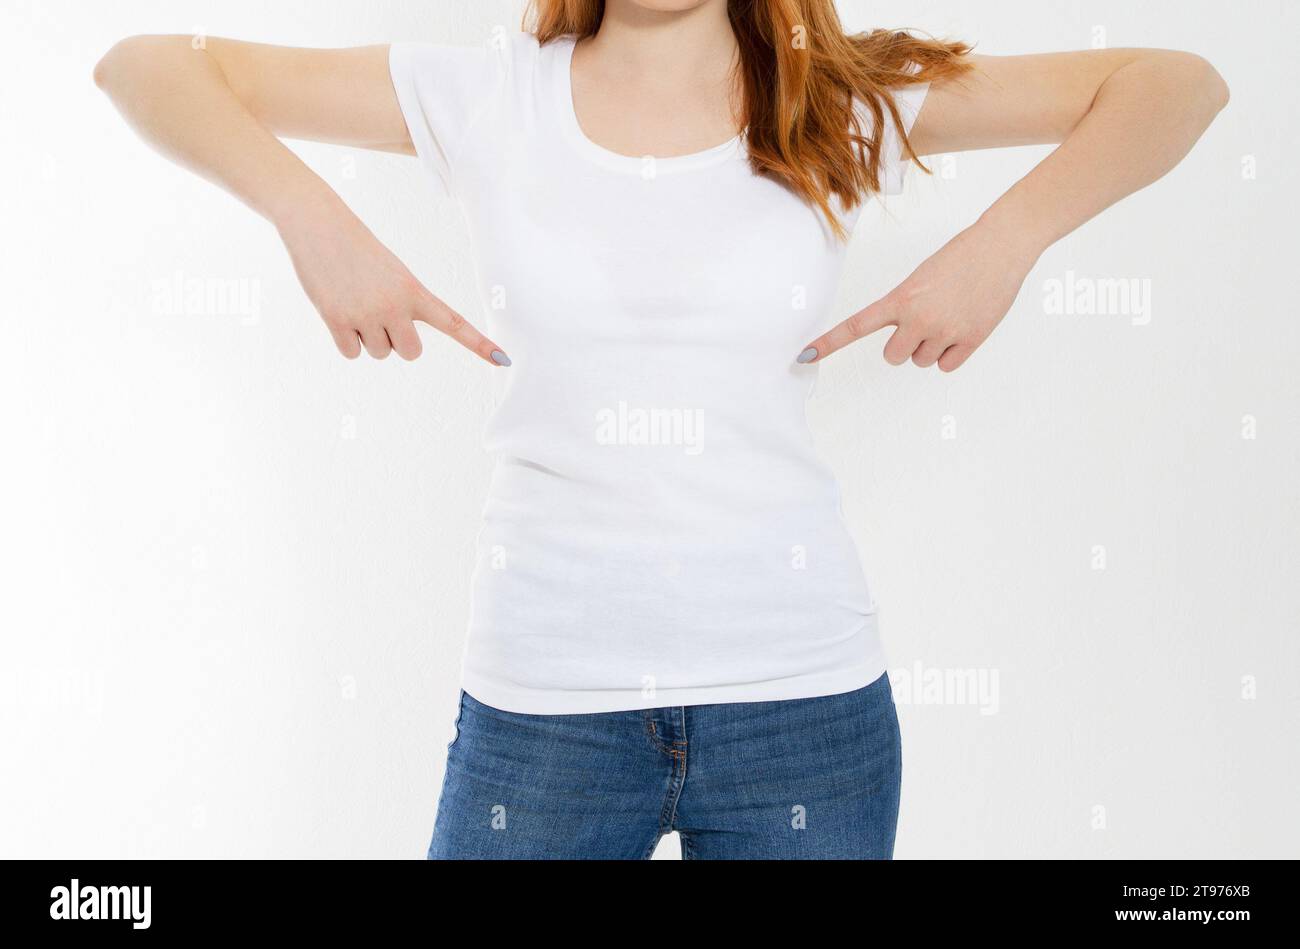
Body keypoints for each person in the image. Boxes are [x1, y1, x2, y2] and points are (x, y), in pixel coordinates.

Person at [93, 0, 1228, 859]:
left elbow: (1175, 82)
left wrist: (1001, 244)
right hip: (544, 708)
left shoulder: (836, 96)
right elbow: (145, 65)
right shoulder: (485, 93)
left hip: (806, 710)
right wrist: (313, 220)